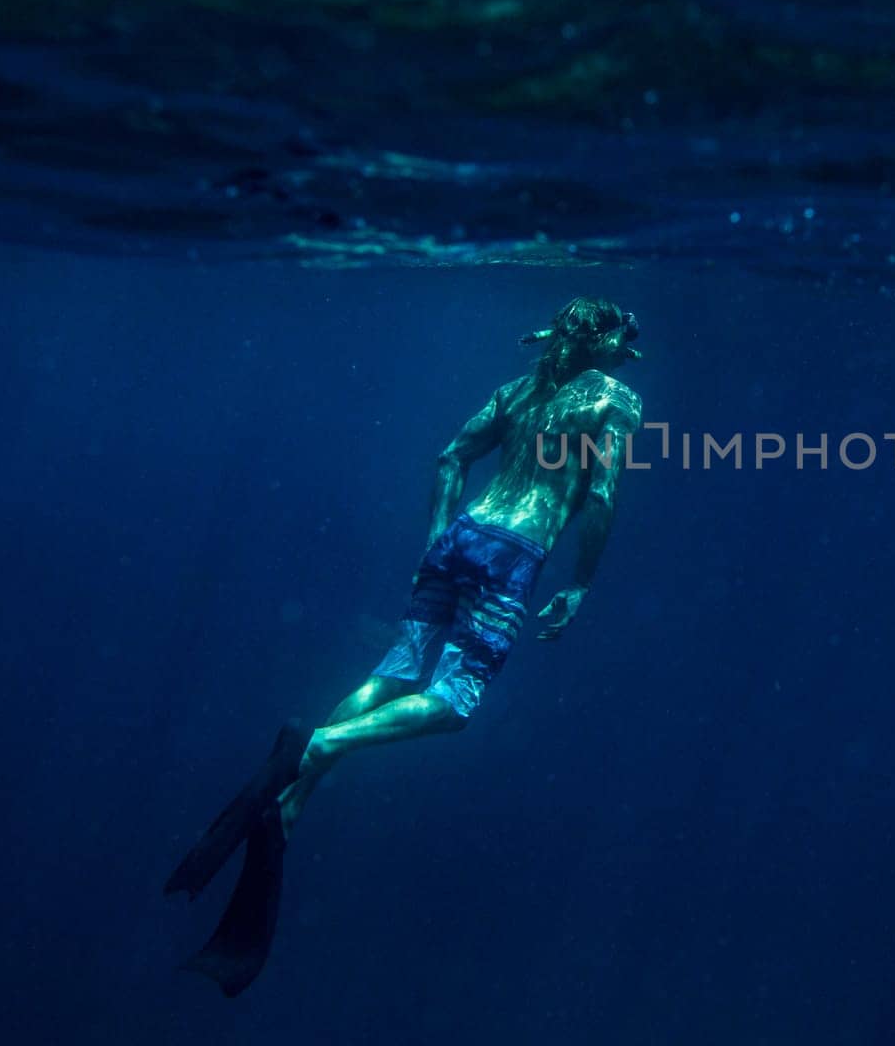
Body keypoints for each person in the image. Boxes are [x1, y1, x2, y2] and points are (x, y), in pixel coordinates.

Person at [163, 296, 644, 996]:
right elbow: (600, 496)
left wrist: (434, 545)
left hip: (462, 534)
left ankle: (293, 799)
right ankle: (320, 747)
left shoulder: (520, 386)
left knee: (397, 666)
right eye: (627, 345)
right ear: (610, 346)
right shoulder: (616, 399)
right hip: (515, 551)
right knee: (455, 703)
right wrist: (583, 583)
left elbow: (452, 457)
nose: (631, 358)